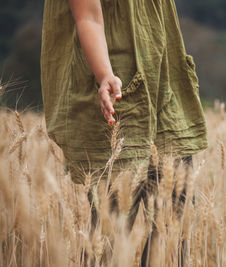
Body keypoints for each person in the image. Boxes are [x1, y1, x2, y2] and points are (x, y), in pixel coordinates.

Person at [41, 0, 208, 265]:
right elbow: (88, 17)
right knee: (112, 227)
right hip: (115, 81)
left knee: (176, 215)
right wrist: (104, 73)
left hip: (162, 77)